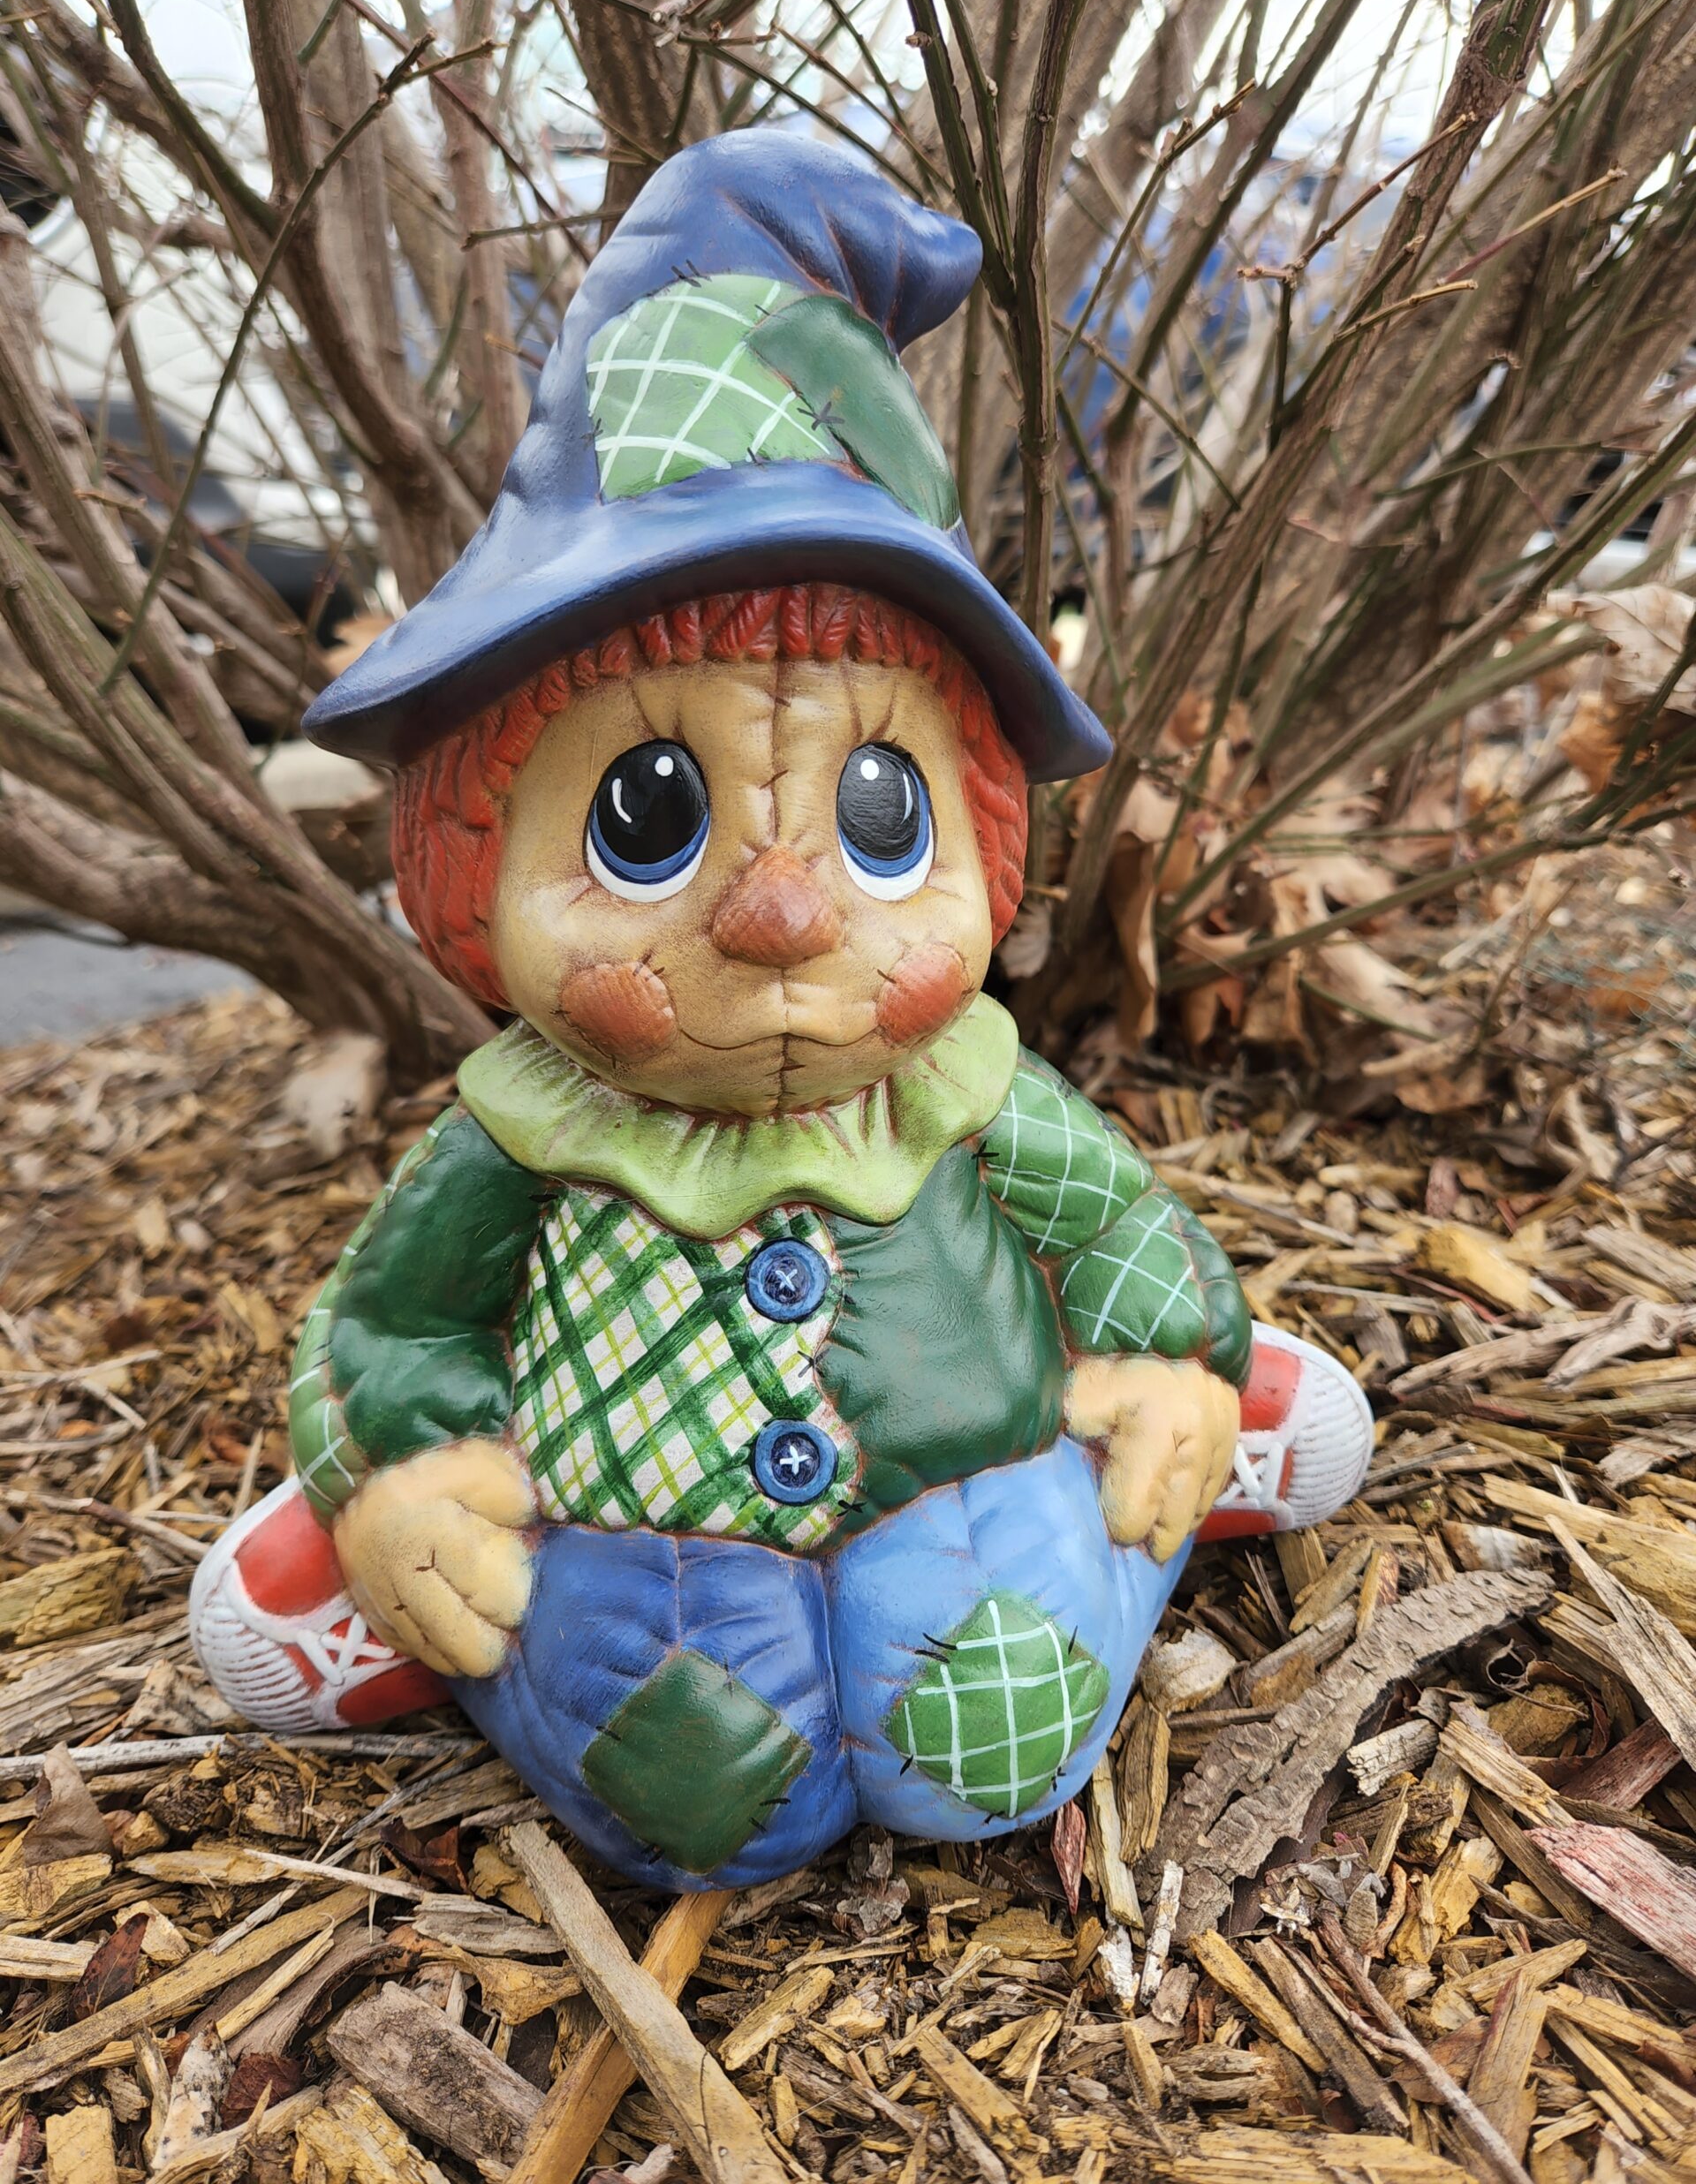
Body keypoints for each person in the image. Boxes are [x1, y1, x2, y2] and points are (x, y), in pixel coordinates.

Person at [191, 133, 1373, 1890]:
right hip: (634, 1547)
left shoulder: (970, 1087)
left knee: (991, 1740)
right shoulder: (523, 1130)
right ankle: (422, 1617)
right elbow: (392, 1322)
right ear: (474, 862)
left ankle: (1174, 1482)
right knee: (698, 1797)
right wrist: (400, 1471)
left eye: (882, 816)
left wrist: (1169, 1357)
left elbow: (1116, 1225)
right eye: (645, 813)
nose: (783, 911)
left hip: (970, 1495)